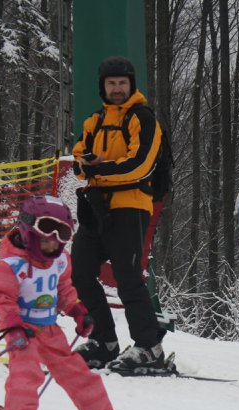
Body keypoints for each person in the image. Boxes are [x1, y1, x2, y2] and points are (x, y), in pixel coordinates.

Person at [0, 195, 137, 410]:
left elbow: (64, 291)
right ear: (28, 231)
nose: (51, 246)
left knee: (76, 371)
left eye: (60, 237)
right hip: (22, 330)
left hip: (50, 330)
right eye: (46, 238)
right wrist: (13, 327)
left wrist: (77, 311)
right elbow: (2, 298)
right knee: (26, 372)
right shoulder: (10, 266)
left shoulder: (59, 262)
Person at [70, 55, 167, 373]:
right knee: (80, 272)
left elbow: (140, 166)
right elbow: (78, 162)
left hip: (130, 206)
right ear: (103, 86)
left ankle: (149, 347)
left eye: (122, 83)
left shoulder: (143, 118)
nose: (117, 89)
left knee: (127, 278)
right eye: (111, 83)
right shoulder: (93, 121)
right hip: (96, 207)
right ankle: (104, 341)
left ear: (131, 85)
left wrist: (98, 170)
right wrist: (86, 166)